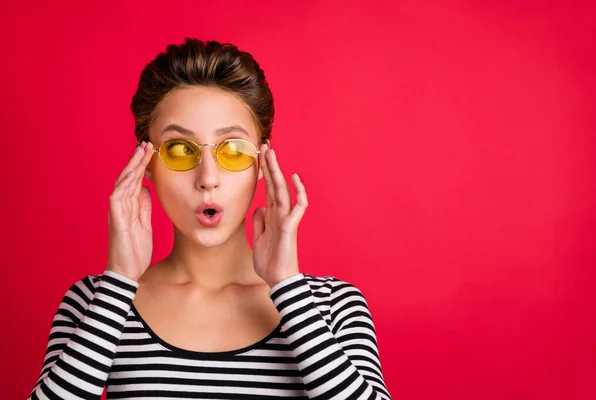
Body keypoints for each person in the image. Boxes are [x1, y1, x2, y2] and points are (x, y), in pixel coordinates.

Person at [29, 37, 391, 399]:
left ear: (261, 164)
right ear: (147, 164)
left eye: (233, 150)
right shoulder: (95, 300)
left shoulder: (332, 305)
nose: (208, 178)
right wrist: (120, 281)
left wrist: (288, 288)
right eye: (180, 149)